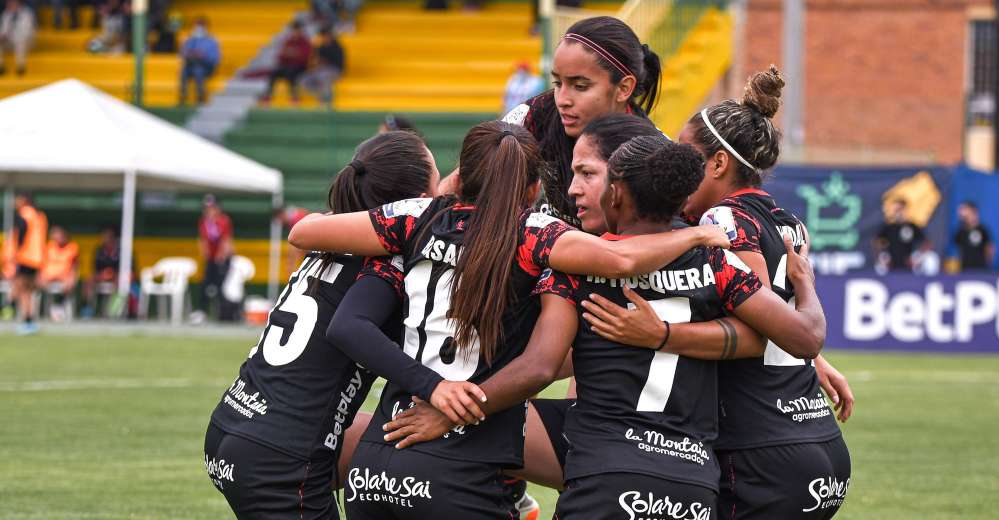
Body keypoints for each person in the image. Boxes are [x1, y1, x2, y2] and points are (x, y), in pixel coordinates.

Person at [287, 120, 730, 519]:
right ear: (533, 186)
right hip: (458, 471)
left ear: (462, 174)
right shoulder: (537, 235)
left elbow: (304, 232)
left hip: (376, 468)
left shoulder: (417, 217)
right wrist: (693, 233)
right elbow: (618, 260)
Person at [587, 67, 853, 519]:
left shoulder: (720, 223)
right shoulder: (789, 220)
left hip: (762, 450)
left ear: (717, 164)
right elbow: (779, 312)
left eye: (685, 156)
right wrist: (816, 360)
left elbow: (757, 328)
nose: (673, 170)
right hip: (818, 439)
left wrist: (661, 335)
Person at [204, 131, 441, 520]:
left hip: (234, 426)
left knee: (400, 440)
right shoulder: (386, 261)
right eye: (436, 173)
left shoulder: (332, 237)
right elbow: (353, 329)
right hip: (279, 457)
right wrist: (435, 387)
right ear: (416, 199)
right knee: (439, 439)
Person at [500, 16, 663, 228]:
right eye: (558, 83)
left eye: (580, 86)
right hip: (544, 249)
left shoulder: (653, 155)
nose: (562, 100)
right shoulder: (537, 113)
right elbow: (469, 182)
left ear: (624, 88)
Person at [193, 194, 233, 323]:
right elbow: (203, 239)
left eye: (211, 208)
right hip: (211, 259)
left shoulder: (223, 220)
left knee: (221, 286)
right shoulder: (204, 222)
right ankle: (201, 311)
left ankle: (224, 314)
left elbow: (226, 240)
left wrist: (220, 256)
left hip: (222, 259)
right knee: (205, 284)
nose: (208, 211)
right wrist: (206, 254)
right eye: (206, 208)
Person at [11, 193, 47, 335]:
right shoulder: (40, 216)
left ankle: (27, 321)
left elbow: (21, 234)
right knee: (29, 291)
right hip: (37, 258)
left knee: (22, 290)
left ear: (24, 201)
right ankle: (30, 320)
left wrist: (16, 253)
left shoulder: (25, 214)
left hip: (25, 257)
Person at [260, 20, 312, 105]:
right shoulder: (288, 41)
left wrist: (291, 54)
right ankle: (267, 96)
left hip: (300, 67)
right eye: (294, 30)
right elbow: (281, 56)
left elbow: (304, 57)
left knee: (291, 73)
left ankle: (294, 97)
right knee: (273, 73)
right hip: (287, 66)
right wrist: (293, 53)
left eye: (297, 30)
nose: (295, 32)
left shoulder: (305, 42)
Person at [37, 226, 79, 322]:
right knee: (39, 281)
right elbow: (42, 265)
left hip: (64, 276)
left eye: (59, 235)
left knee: (69, 282)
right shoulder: (49, 247)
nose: (57, 238)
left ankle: (58, 306)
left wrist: (72, 277)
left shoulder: (72, 247)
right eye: (54, 235)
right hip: (49, 276)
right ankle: (48, 308)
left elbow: (74, 266)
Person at [874, 198, 925, 273]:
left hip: (909, 265)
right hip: (891, 264)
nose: (898, 212)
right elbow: (877, 241)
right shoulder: (889, 227)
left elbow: (926, 243)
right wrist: (882, 257)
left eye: (900, 209)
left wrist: (916, 258)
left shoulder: (912, 226)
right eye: (896, 210)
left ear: (906, 210)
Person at [178, 17, 221, 106]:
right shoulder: (189, 40)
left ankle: (200, 98)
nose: (198, 28)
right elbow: (182, 53)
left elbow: (215, 59)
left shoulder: (212, 41)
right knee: (183, 72)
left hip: (206, 67)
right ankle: (182, 98)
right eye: (197, 25)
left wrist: (203, 56)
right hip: (191, 64)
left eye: (201, 25)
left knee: (198, 71)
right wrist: (189, 54)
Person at [300, 27, 345, 106]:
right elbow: (314, 61)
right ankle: (321, 96)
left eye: (324, 36)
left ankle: (328, 102)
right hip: (320, 70)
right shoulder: (320, 47)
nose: (322, 38)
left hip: (334, 69)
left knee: (324, 77)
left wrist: (323, 62)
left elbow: (339, 63)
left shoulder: (337, 47)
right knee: (304, 80)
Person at [953, 201, 993, 271]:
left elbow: (989, 248)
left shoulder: (982, 229)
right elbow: (959, 250)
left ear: (973, 210)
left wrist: (988, 265)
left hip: (981, 269)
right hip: (965, 269)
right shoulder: (960, 231)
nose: (961, 212)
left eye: (964, 209)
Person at [0, 0, 34, 76]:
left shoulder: (27, 13)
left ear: (18, 3)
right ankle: (1, 66)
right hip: (10, 41)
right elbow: (3, 30)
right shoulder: (6, 14)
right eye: (8, 2)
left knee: (20, 42)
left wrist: (13, 37)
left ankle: (21, 67)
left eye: (12, 2)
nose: (9, 4)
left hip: (24, 41)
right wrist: (2, 36)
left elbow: (27, 32)